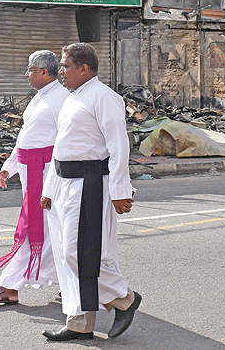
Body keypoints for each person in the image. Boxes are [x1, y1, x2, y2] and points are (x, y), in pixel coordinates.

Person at [40, 43, 140, 341]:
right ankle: (79, 323)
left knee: (80, 253)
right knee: (66, 254)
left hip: (89, 185)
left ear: (84, 69)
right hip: (65, 184)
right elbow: (62, 147)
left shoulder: (104, 97)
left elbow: (118, 145)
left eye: (65, 66)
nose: (60, 72)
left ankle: (124, 300)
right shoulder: (73, 98)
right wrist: (49, 187)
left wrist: (121, 189)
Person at [0, 50, 69, 305]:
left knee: (39, 232)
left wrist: (53, 178)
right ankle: (69, 283)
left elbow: (65, 141)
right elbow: (26, 140)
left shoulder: (61, 99)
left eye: (30, 69)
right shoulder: (40, 98)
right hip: (32, 171)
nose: (26, 74)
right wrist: (10, 165)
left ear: (43, 71)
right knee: (53, 232)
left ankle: (9, 287)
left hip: (48, 175)